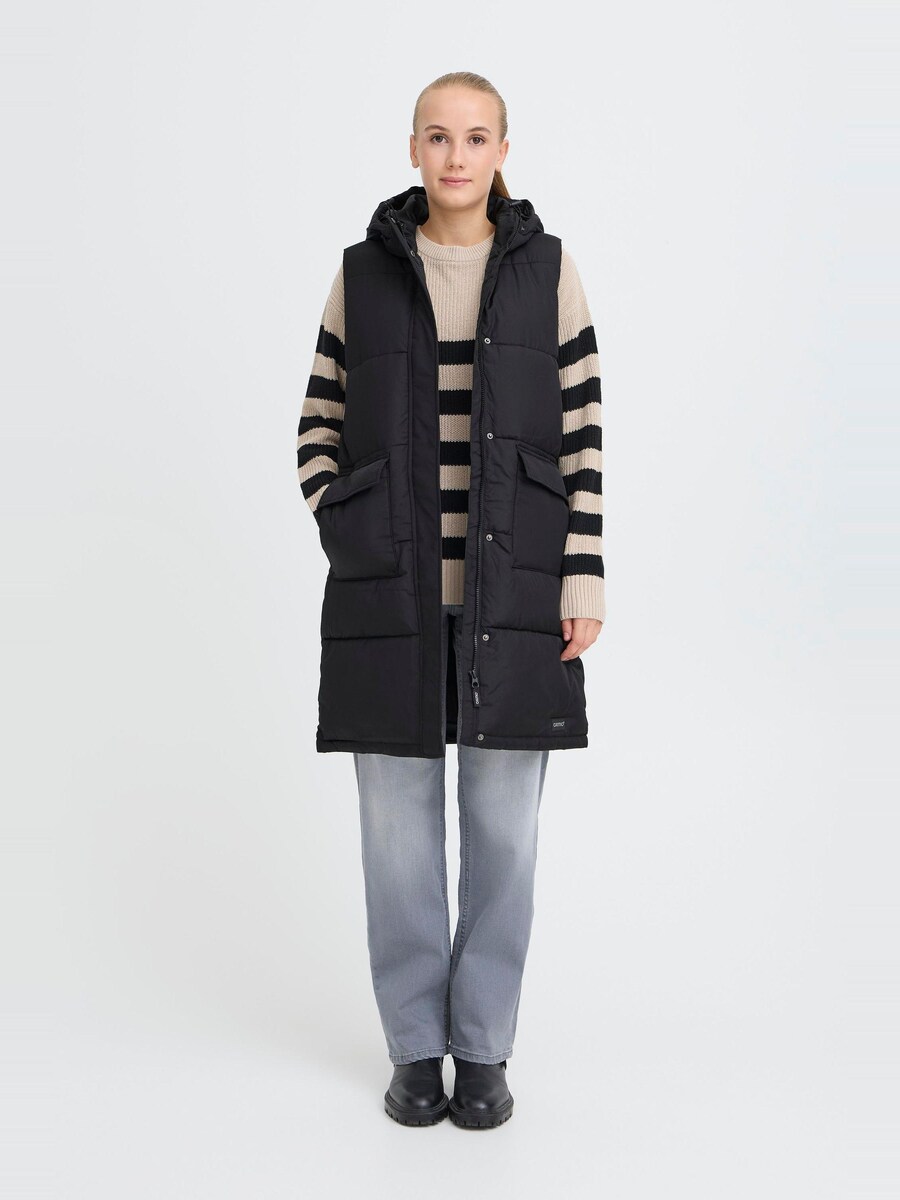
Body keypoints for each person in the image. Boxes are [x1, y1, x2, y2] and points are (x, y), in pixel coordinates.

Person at [296, 71, 604, 1129]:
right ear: (413, 149)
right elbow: (318, 422)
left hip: (516, 596)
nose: (456, 156)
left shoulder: (550, 272)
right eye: (438, 136)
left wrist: (582, 575)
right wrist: (351, 525)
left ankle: (482, 1048)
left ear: (503, 150)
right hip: (391, 596)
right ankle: (412, 1050)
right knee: (397, 842)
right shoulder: (363, 274)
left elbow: (583, 435)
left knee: (505, 836)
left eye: (476, 138)